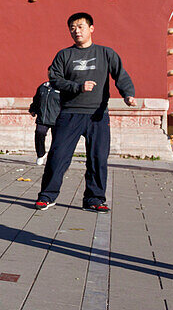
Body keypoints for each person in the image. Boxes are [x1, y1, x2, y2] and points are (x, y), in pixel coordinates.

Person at [35, 12, 135, 212]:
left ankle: (95, 198)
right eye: (72, 28)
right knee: (58, 155)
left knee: (98, 158)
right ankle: (47, 196)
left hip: (97, 114)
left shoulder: (106, 53)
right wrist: (77, 87)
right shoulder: (64, 55)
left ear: (91, 28)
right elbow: (55, 79)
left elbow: (120, 75)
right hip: (69, 114)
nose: (76, 31)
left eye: (80, 26)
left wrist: (128, 94)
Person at [29, 81, 61, 165]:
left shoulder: (62, 86)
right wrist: (33, 109)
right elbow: (36, 99)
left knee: (57, 139)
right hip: (43, 117)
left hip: (57, 118)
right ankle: (40, 154)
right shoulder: (43, 86)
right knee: (39, 133)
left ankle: (54, 158)